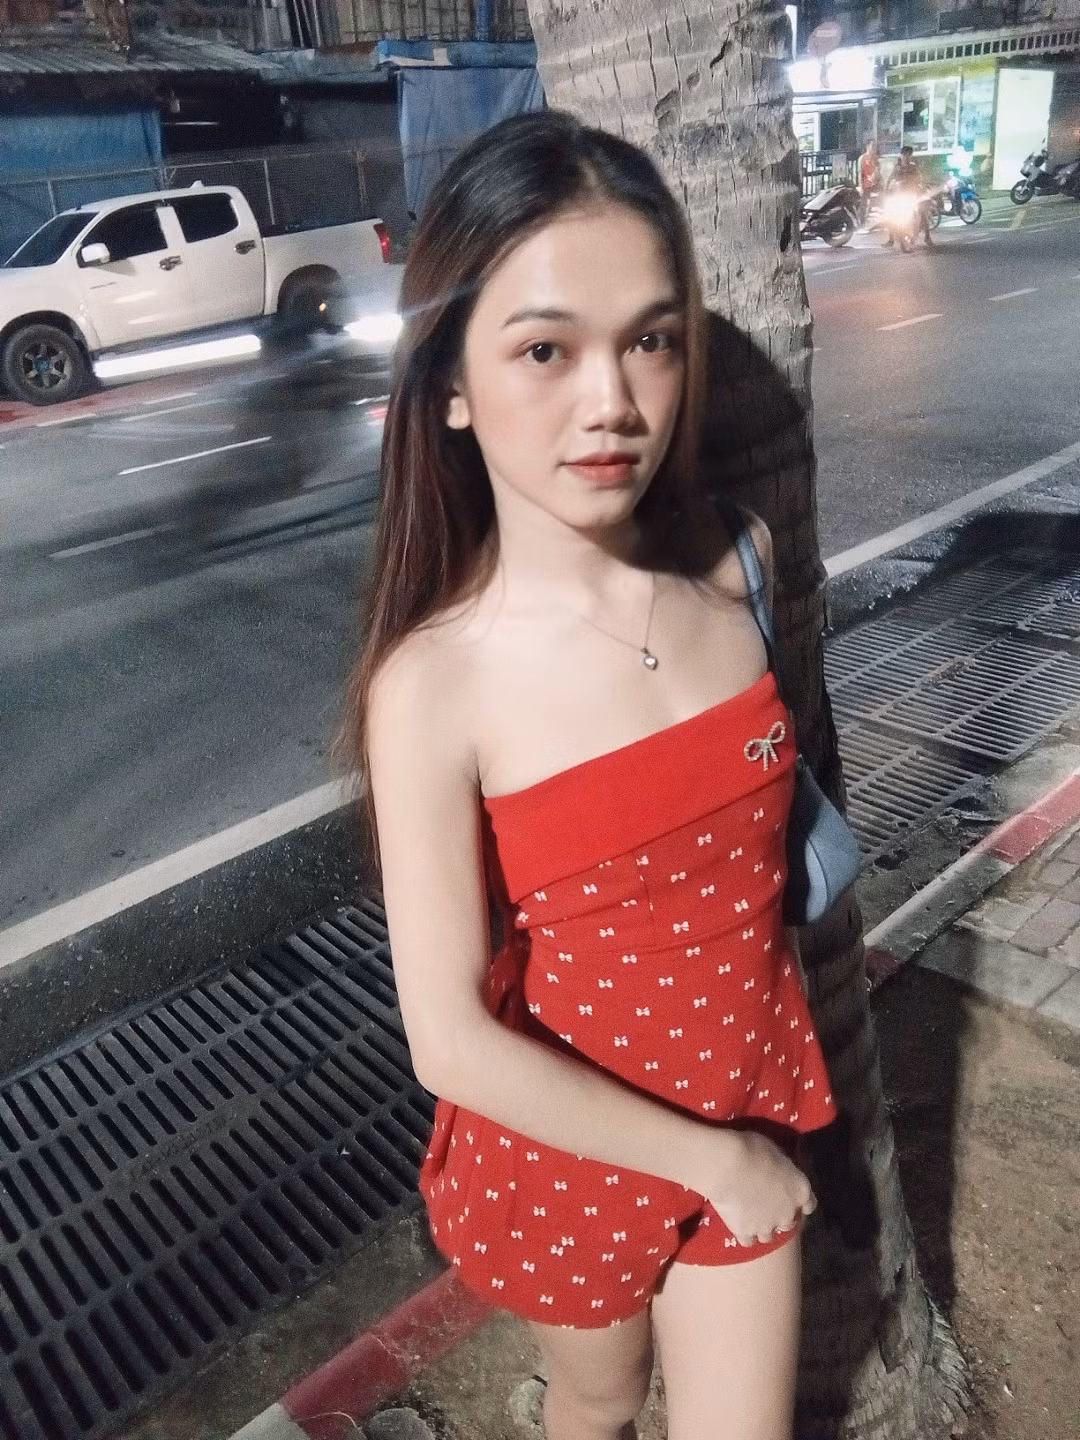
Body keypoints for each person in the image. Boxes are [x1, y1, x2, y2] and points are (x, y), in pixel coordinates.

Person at [344, 110, 836, 1440]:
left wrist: (734, 1152)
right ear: (450, 384)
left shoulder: (737, 562)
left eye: (651, 341)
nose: (612, 402)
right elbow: (448, 1040)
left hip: (746, 1104)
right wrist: (705, 1159)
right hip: (568, 1156)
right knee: (596, 1400)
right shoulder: (433, 685)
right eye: (546, 350)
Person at [885, 144, 933, 248]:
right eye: (904, 155)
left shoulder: (914, 168)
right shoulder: (897, 168)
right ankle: (891, 239)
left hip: (912, 196)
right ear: (901, 155)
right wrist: (887, 190)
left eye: (909, 155)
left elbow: (921, 179)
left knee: (922, 213)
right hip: (899, 196)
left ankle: (927, 237)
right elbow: (890, 180)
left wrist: (922, 188)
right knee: (890, 216)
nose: (906, 157)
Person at [857, 138, 881, 226]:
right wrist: (861, 187)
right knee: (864, 205)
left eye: (875, 146)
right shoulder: (862, 158)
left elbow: (879, 173)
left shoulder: (876, 159)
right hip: (865, 185)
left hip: (875, 185)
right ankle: (862, 223)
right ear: (867, 146)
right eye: (873, 145)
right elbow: (860, 173)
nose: (874, 148)